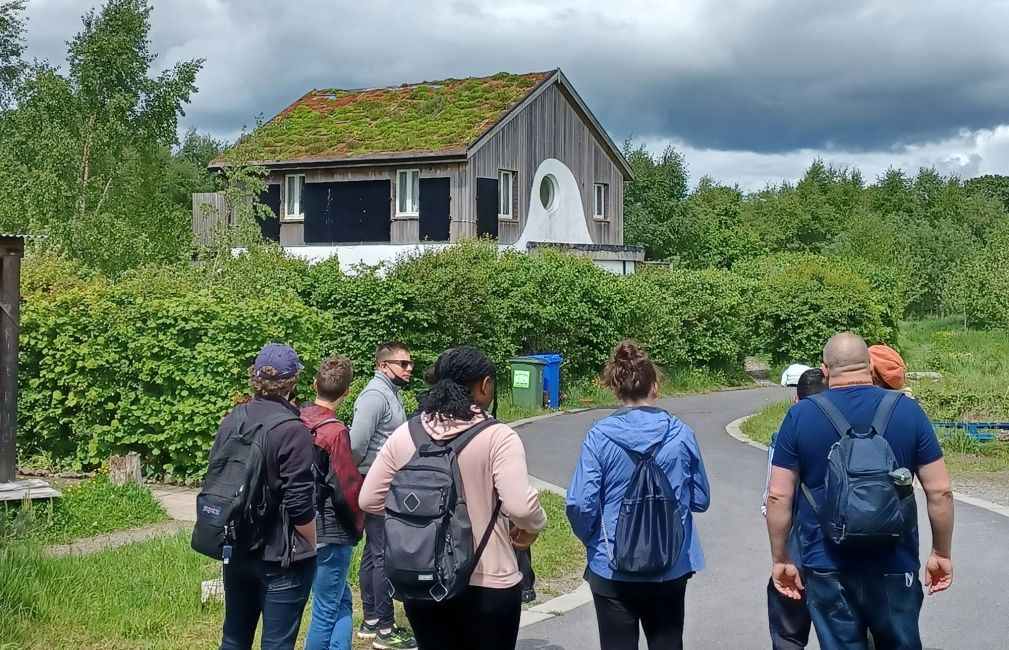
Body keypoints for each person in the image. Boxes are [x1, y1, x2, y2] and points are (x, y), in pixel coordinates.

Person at [767, 333, 954, 650]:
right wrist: (941, 553)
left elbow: (778, 496)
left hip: (827, 565)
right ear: (869, 364)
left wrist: (781, 558)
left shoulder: (800, 415)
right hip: (895, 562)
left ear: (825, 371)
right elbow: (940, 492)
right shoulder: (908, 411)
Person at [359, 346, 547, 650]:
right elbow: (521, 506)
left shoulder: (408, 432)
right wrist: (533, 527)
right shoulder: (498, 436)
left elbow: (369, 499)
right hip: (489, 580)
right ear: (485, 385)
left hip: (424, 575)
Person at [566, 340, 710, 650]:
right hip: (670, 562)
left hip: (612, 564)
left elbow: (580, 502)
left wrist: (592, 538)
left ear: (617, 390)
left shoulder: (599, 436)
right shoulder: (681, 433)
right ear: (655, 387)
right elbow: (701, 498)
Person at [215, 343, 317, 650]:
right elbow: (299, 500)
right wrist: (312, 542)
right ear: (293, 380)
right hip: (280, 554)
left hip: (236, 545)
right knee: (277, 644)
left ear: (256, 377)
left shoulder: (234, 417)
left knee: (233, 637)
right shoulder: (292, 428)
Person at [350, 342, 416, 649]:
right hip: (376, 481)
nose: (409, 368)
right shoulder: (375, 396)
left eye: (410, 363)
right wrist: (366, 475)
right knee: (382, 552)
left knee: (374, 549)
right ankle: (386, 630)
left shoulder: (390, 393)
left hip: (382, 480)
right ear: (383, 365)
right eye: (402, 363)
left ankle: (372, 619)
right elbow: (355, 444)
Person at [302, 357, 364, 650]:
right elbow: (346, 487)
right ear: (347, 392)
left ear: (315, 384)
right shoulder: (335, 431)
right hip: (331, 528)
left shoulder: (298, 418)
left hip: (302, 523)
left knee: (340, 599)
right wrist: (358, 524)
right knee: (326, 609)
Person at [762, 368, 826, 650]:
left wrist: (780, 557)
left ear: (795, 399)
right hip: (844, 548)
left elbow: (774, 497)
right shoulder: (842, 428)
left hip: (800, 546)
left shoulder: (787, 433)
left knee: (788, 636)